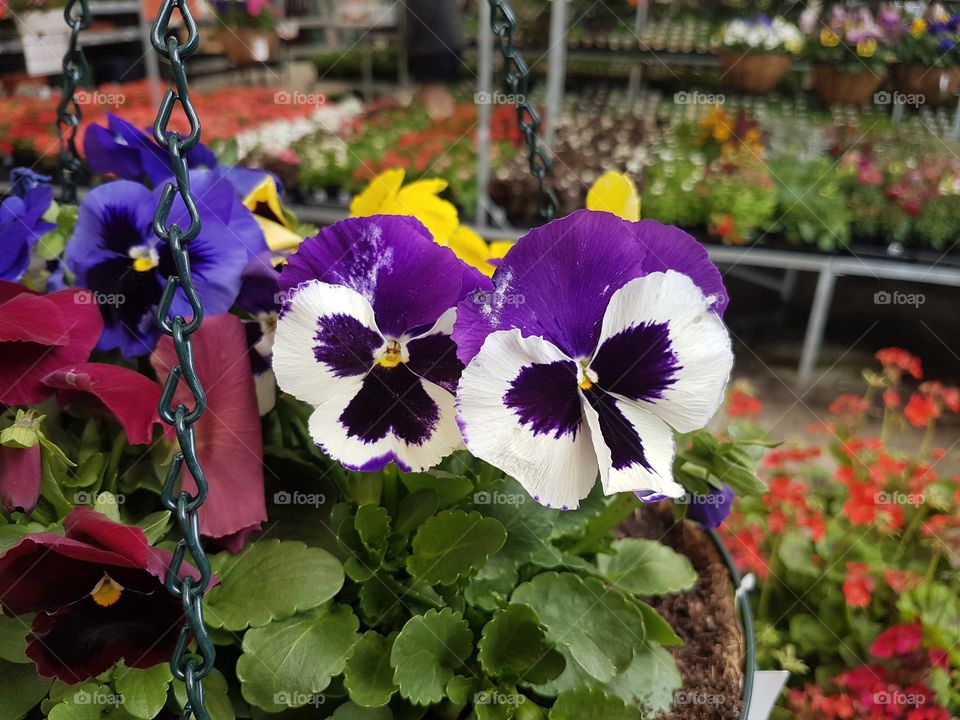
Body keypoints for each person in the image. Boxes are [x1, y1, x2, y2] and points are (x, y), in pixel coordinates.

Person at [403, 0, 463, 119]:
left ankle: (442, 123)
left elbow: (418, 21)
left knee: (433, 90)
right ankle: (443, 122)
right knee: (434, 90)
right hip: (444, 46)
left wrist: (408, 44)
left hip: (430, 50)